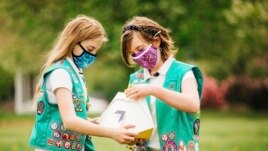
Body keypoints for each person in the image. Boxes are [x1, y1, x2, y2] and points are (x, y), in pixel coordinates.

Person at [29, 15, 137, 151]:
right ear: (73, 42)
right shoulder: (61, 73)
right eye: (90, 49)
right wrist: (111, 133)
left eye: (95, 51)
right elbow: (69, 121)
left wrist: (94, 122)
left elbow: (71, 116)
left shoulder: (74, 72)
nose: (92, 55)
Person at [121, 16, 203, 151]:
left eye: (140, 49)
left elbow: (193, 104)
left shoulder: (183, 73)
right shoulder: (135, 79)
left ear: (156, 41)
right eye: (133, 54)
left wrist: (153, 89)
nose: (137, 56)